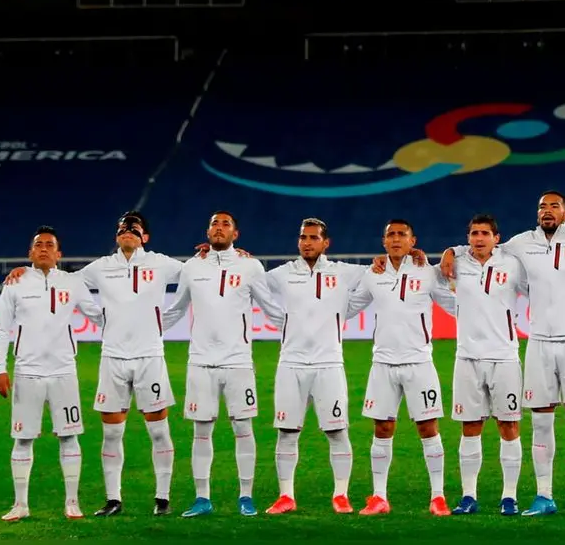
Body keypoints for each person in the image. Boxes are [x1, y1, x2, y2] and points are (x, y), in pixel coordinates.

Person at [2, 212, 181, 516]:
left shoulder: (162, 263)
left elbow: (199, 276)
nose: (127, 231)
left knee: (159, 432)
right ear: (116, 235)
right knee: (112, 434)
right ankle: (113, 499)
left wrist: (233, 258)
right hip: (111, 359)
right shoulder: (100, 267)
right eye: (122, 227)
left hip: (151, 357)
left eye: (134, 228)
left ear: (145, 237)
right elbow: (57, 276)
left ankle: (162, 498)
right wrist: (26, 270)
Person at [439, 191, 565, 517]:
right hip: (538, 342)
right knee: (540, 423)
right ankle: (544, 496)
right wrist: (449, 251)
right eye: (542, 206)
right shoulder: (518, 245)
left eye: (554, 206)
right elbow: (476, 246)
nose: (547, 211)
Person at [161, 211, 286, 518]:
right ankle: (202, 498)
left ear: (236, 234)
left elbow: (272, 309)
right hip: (200, 362)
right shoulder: (192, 266)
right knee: (201, 431)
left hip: (238, 361)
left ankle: (246, 496)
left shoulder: (250, 266)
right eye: (214, 224)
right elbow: (175, 309)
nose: (219, 228)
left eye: (225, 224)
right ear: (207, 232)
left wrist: (302, 331)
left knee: (243, 428)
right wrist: (144, 329)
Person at [0, 226, 103, 521]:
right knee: (23, 439)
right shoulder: (15, 283)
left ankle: (72, 502)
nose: (43, 248)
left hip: (63, 371)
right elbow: (2, 328)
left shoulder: (73, 283)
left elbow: (99, 316)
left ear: (59, 254)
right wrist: (0, 369)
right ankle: (20, 505)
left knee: (69, 437)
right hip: (27, 372)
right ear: (30, 253)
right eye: (38, 244)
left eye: (49, 244)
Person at [348, 219, 457, 516]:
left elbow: (455, 304)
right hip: (382, 363)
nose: (396, 239)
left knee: (428, 427)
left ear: (413, 240)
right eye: (390, 235)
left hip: (419, 362)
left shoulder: (428, 271)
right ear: (383, 242)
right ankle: (379, 497)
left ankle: (438, 496)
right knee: (382, 428)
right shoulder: (373, 273)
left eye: (401, 234)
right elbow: (348, 307)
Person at [263, 218, 367, 515]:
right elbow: (250, 282)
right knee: (287, 432)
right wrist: (229, 255)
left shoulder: (344, 272)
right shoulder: (283, 274)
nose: (307, 242)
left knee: (337, 432)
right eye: (303, 238)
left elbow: (380, 270)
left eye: (313, 237)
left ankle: (341, 494)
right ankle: (286, 496)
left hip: (329, 364)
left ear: (326, 243)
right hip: (291, 364)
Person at [446, 214, 529, 516]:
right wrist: (448, 251)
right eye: (473, 233)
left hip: (505, 356)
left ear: (497, 237)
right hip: (467, 358)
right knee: (470, 427)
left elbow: (541, 291)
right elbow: (422, 273)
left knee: (508, 426)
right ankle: (469, 495)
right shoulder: (457, 263)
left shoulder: (512, 264)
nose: (479, 238)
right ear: (467, 237)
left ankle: (509, 496)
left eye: (485, 233)